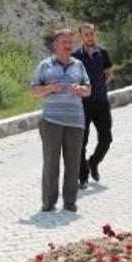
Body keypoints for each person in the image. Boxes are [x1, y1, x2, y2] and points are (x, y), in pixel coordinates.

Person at [31, 28, 91, 212]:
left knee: (73, 163)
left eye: (70, 42)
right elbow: (34, 91)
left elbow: (88, 89)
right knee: (51, 163)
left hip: (75, 121)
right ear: (55, 45)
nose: (68, 45)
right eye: (64, 42)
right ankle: (49, 202)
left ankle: (70, 202)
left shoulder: (79, 65)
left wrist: (81, 90)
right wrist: (49, 88)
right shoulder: (44, 65)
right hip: (51, 121)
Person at [72, 23, 114, 189]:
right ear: (81, 36)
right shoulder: (75, 57)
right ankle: (82, 177)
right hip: (83, 104)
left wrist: (100, 85)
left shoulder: (103, 53)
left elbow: (109, 73)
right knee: (82, 141)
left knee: (106, 139)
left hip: (101, 102)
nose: (89, 37)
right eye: (86, 34)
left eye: (91, 34)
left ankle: (93, 162)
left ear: (95, 34)